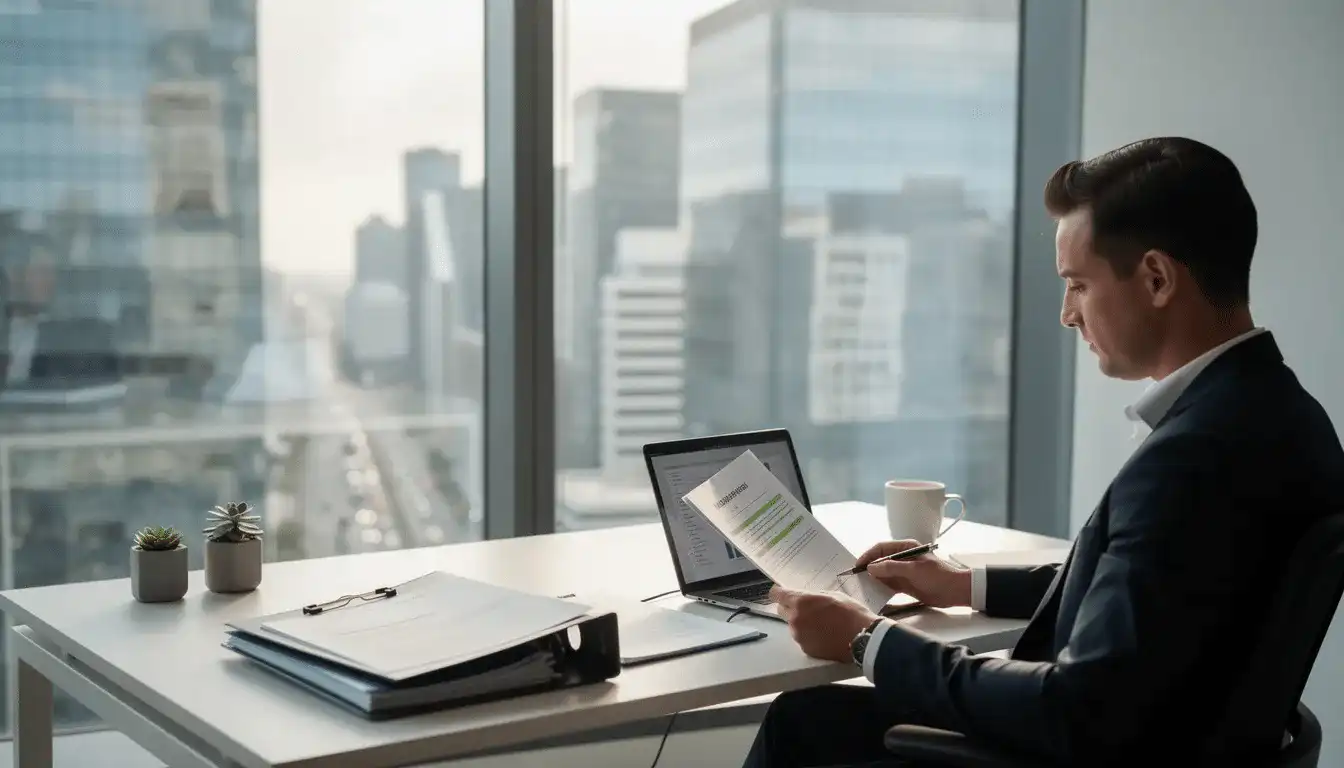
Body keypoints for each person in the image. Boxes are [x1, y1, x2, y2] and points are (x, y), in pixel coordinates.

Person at [744, 137, 1344, 767]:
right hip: (1174, 739)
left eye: (1078, 285)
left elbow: (1080, 709)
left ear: (1157, 279)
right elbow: (1156, 598)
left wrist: (867, 639)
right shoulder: (1284, 416)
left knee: (802, 726)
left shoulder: (1194, 458)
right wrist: (962, 584)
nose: (1067, 314)